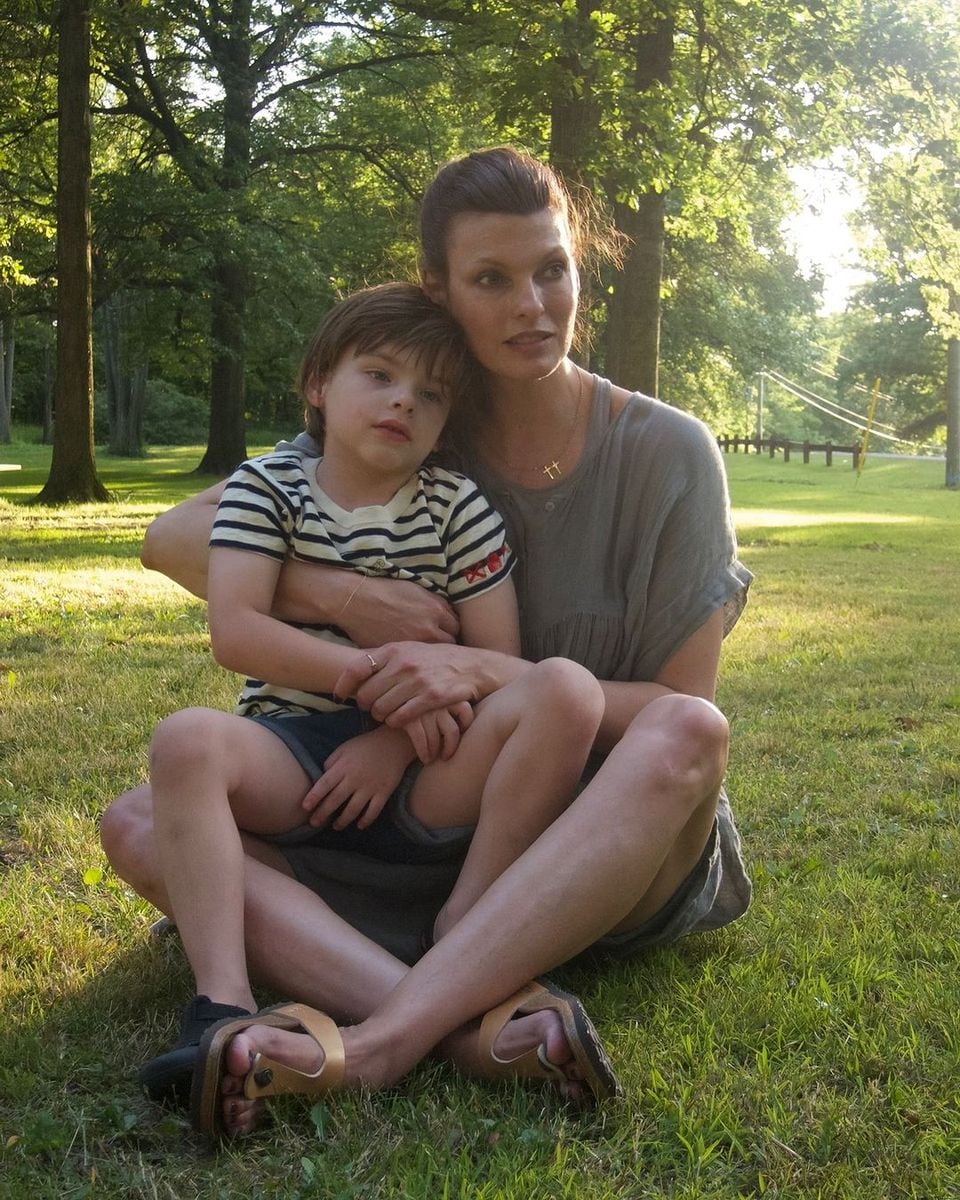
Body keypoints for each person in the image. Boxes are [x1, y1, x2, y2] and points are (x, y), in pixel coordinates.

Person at [101, 146, 752, 1139]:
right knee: (139, 823)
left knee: (691, 730)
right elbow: (172, 536)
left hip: (580, 849)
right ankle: (467, 1020)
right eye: (491, 279)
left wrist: (484, 668)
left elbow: (671, 707)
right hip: (386, 834)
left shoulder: (667, 453)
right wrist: (345, 597)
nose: (532, 304)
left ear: (582, 267)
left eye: (552, 269)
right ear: (440, 293)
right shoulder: (406, 415)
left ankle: (381, 1041)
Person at [131, 283, 606, 1106]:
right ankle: (221, 1005)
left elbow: (496, 667)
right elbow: (236, 632)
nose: (402, 402)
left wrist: (389, 740)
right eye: (379, 375)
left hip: (430, 755)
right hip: (292, 749)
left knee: (564, 689)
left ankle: (467, 931)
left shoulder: (458, 510)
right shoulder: (267, 488)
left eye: (430, 394)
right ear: (318, 383)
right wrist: (367, 678)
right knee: (185, 740)